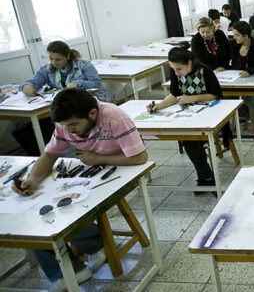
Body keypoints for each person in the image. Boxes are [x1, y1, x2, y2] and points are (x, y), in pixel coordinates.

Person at [13, 88, 147, 291]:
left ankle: (94, 244)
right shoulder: (65, 124)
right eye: (65, 126)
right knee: (33, 211)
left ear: (92, 114)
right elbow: (49, 155)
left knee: (66, 208)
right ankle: (70, 270)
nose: (69, 130)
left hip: (120, 170)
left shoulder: (114, 116)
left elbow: (139, 158)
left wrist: (98, 159)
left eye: (73, 125)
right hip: (87, 174)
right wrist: (32, 179)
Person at [148, 46, 226, 192]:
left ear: (189, 63)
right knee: (189, 139)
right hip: (189, 114)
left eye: (179, 69)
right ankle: (206, 176)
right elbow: (174, 95)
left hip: (210, 112)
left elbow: (215, 94)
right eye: (173, 69)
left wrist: (193, 98)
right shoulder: (175, 71)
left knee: (191, 141)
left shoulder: (205, 71)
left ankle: (206, 177)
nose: (176, 73)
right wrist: (159, 105)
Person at [16, 41, 106, 156]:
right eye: (51, 58)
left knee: (70, 117)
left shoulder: (84, 64)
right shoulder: (46, 68)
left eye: (58, 59)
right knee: (21, 124)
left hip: (84, 102)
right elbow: (32, 82)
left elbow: (96, 84)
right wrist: (26, 87)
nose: (54, 62)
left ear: (67, 56)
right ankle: (43, 151)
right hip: (62, 103)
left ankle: (81, 145)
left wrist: (77, 84)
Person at [230, 21, 254, 135]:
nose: (235, 37)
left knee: (251, 97)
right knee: (225, 96)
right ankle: (241, 116)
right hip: (238, 79)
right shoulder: (234, 45)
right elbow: (235, 67)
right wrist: (241, 57)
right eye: (234, 34)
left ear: (246, 36)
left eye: (237, 35)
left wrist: (249, 71)